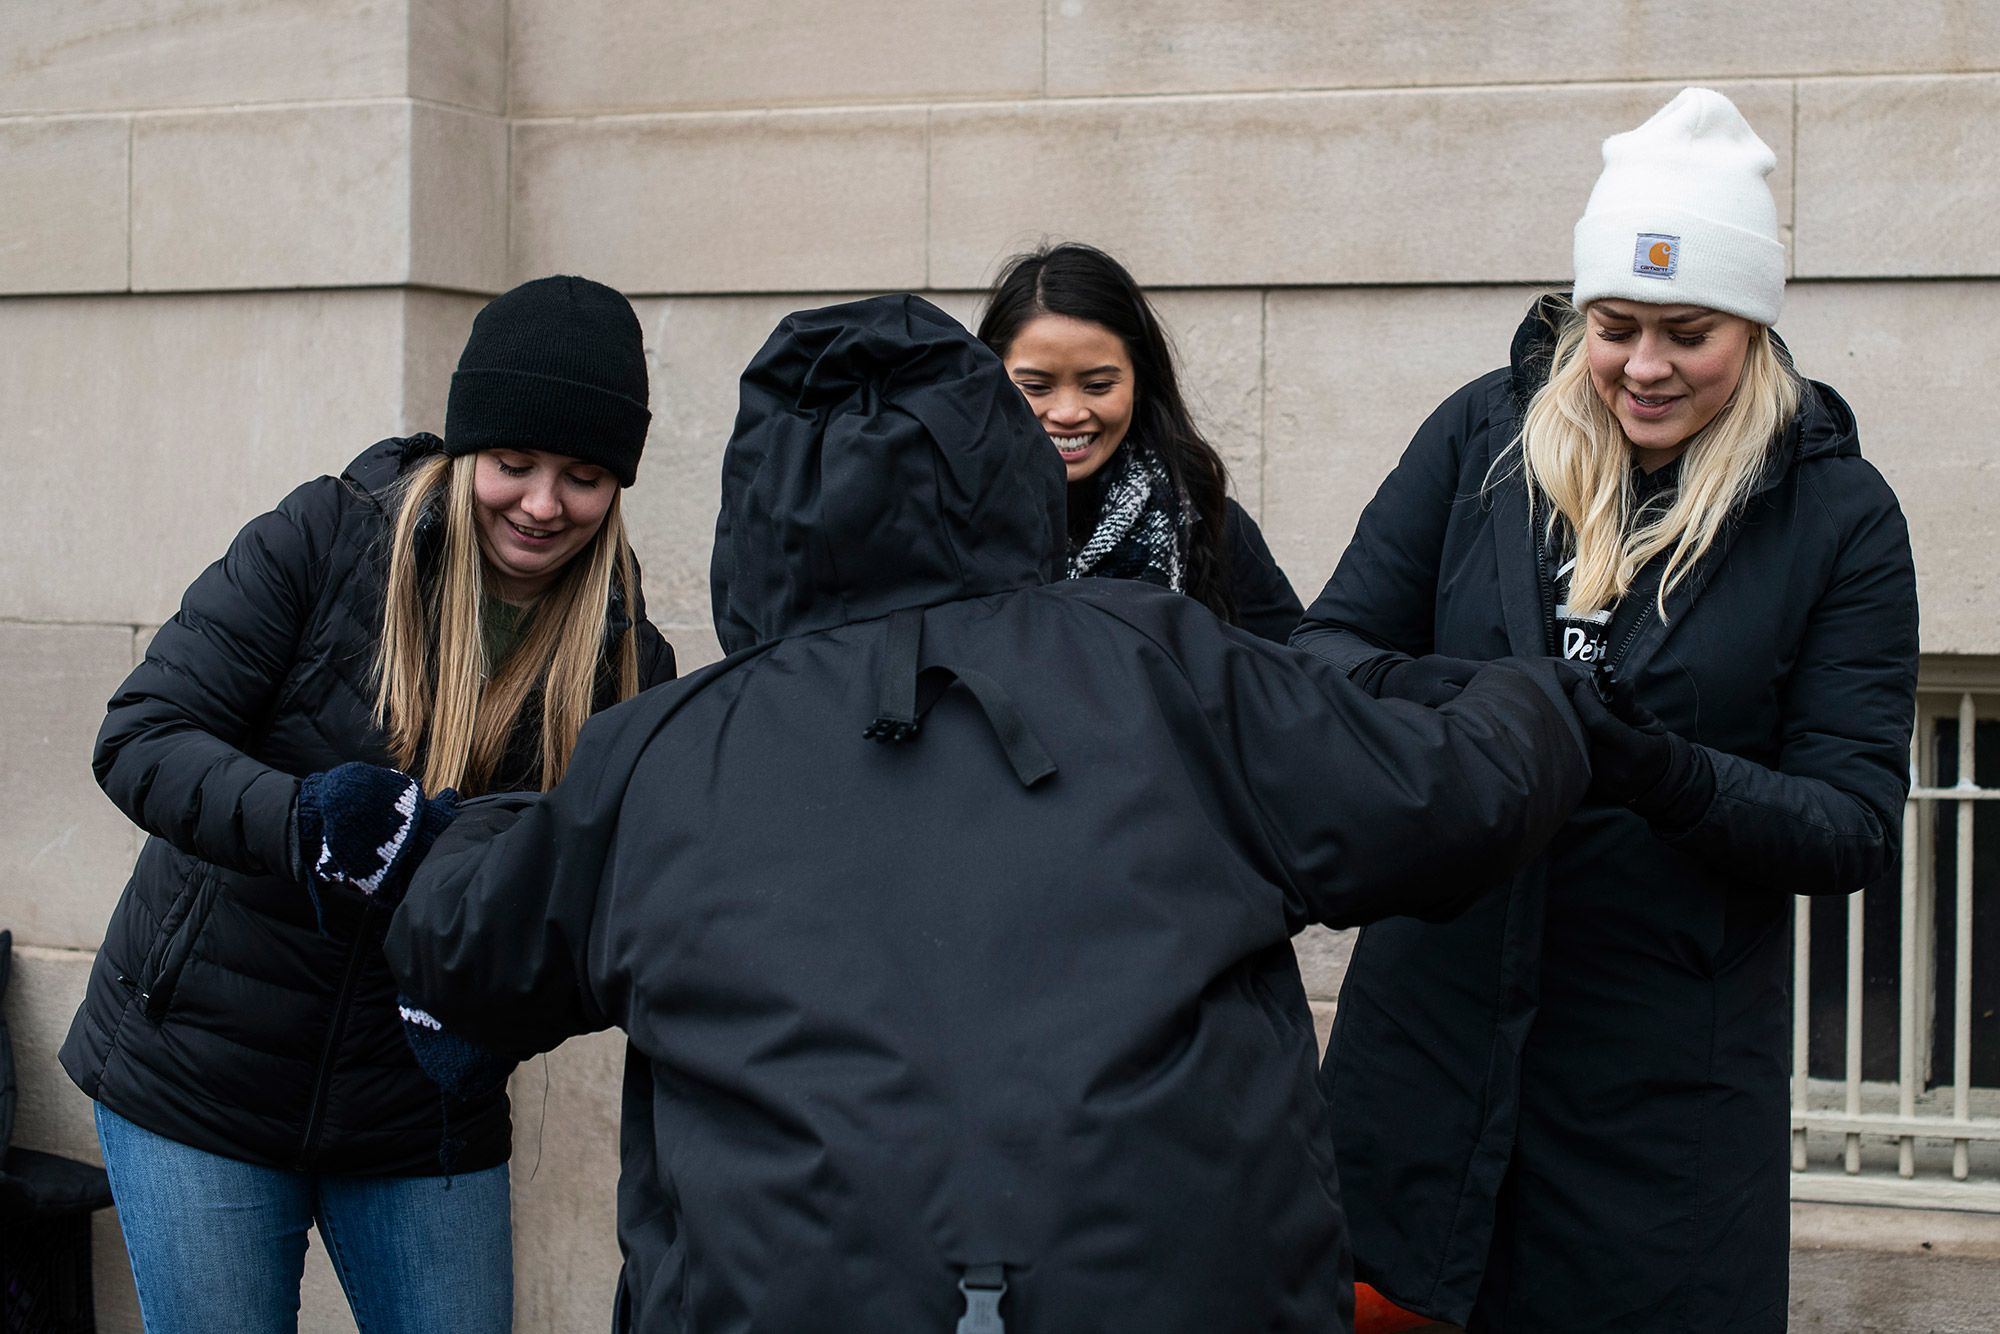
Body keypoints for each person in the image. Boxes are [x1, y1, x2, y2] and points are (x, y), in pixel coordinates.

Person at [381, 293, 1593, 1333]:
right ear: (997, 463)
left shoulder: (662, 749)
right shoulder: (1157, 662)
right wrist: (1528, 687)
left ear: (754, 510)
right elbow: (1459, 790)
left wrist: (497, 817)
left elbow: (460, 944)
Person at [1295, 89, 1919, 1332]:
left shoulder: (1838, 516)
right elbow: (1322, 653)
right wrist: (1493, 703)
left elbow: (1849, 825)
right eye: (1613, 325)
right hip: (1426, 1058)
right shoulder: (1480, 436)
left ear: (1751, 323)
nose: (1642, 366)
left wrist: (1655, 769)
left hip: (1658, 1108)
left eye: (1686, 331)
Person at [61, 275, 677, 1334]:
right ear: (465, 448)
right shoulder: (326, 536)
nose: (541, 504)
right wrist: (306, 820)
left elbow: (610, 903)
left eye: (582, 477)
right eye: (513, 463)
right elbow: (141, 738)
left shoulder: (626, 663)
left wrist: (506, 1007)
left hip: (421, 1110)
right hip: (200, 1076)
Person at [976, 242, 1302, 642]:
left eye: (1098, 386)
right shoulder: (949, 521)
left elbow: (1298, 677)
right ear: (989, 382)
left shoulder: (1208, 525)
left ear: (1139, 383)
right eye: (1036, 386)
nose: (1067, 412)